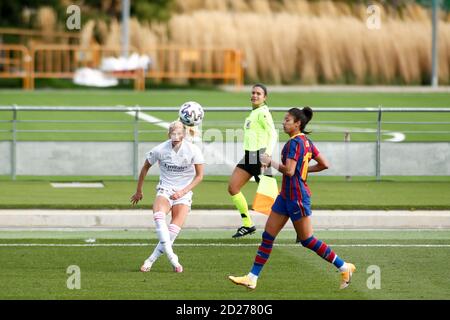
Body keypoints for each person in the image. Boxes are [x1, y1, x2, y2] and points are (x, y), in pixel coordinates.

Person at [228, 107, 356, 289]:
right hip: (285, 197)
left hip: (296, 197)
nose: (283, 122)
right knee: (267, 236)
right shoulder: (307, 142)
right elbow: (323, 164)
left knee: (307, 240)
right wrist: (302, 170)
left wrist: (270, 161)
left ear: (298, 124)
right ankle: (252, 277)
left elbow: (289, 170)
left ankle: (344, 266)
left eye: (287, 120)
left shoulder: (294, 144)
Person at [131, 120, 204, 273]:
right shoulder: (159, 149)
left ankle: (150, 259)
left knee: (172, 230)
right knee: (158, 216)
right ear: (168, 134)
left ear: (183, 134)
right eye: (173, 132)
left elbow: (199, 176)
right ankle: (173, 258)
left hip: (183, 194)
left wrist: (183, 192)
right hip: (165, 189)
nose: (176, 135)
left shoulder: (193, 150)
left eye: (179, 132)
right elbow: (145, 168)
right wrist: (139, 191)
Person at [228, 83, 278, 238]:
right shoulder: (253, 113)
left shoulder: (263, 113)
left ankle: (300, 228)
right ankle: (248, 224)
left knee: (273, 200)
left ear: (265, 98)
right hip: (249, 156)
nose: (255, 95)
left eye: (258, 93)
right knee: (233, 187)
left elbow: (273, 134)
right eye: (253, 93)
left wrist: (268, 154)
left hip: (260, 157)